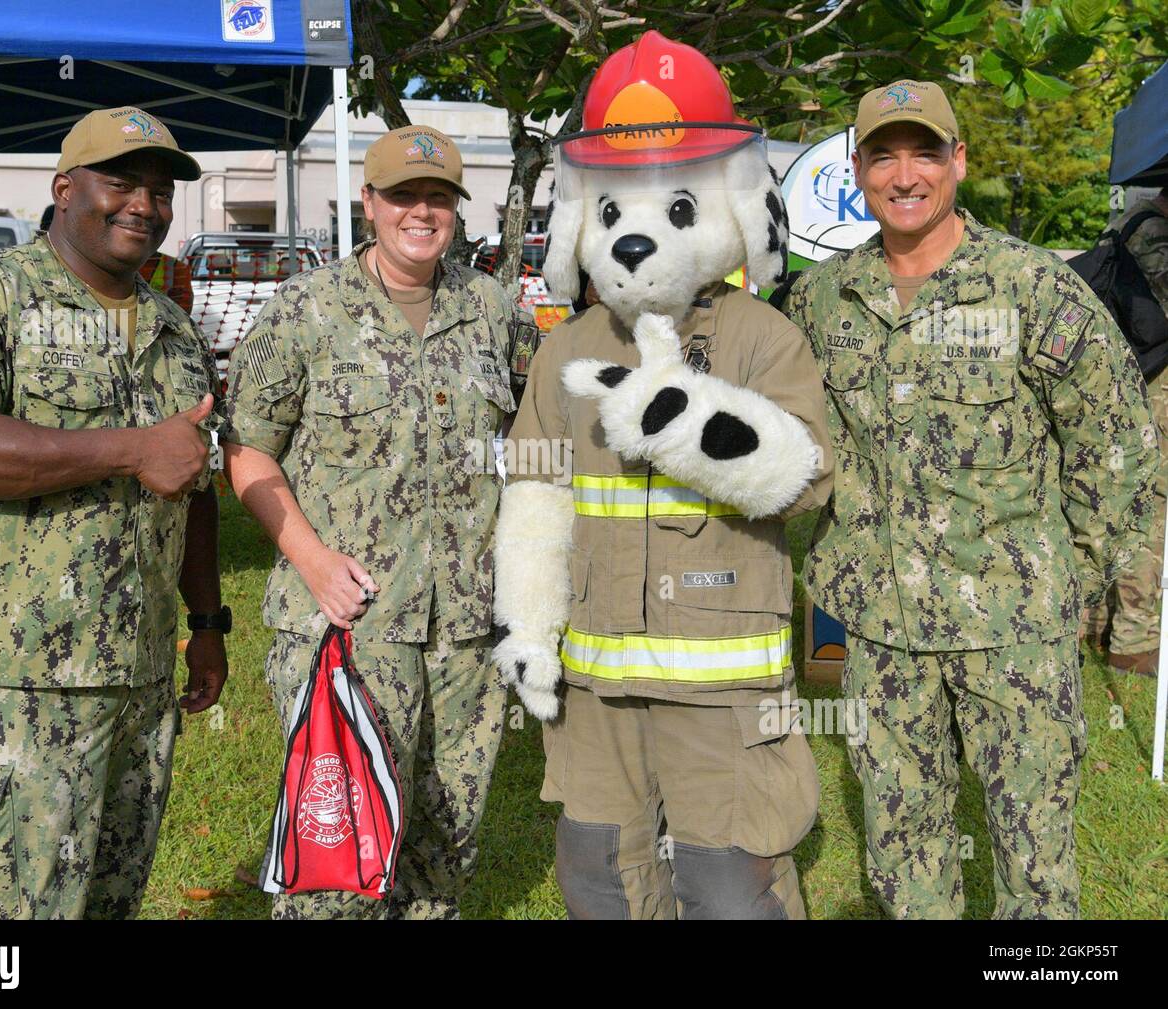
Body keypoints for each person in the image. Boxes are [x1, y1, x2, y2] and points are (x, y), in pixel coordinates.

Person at [782, 80, 1159, 919]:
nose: (904, 174)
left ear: (960, 161)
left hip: (1015, 632)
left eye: (925, 152)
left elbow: (1117, 442)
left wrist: (1069, 583)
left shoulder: (1033, 288)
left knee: (1036, 864)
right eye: (884, 154)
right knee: (901, 852)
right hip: (879, 632)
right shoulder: (822, 299)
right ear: (858, 168)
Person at [494, 30, 832, 919]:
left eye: (676, 207)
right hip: (597, 685)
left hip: (722, 689)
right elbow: (535, 491)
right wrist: (529, 624)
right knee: (601, 880)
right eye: (617, 211)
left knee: (731, 889)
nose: (638, 238)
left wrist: (679, 423)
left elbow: (804, 478)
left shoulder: (765, 339)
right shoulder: (563, 351)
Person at [0, 106, 228, 919]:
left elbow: (195, 482)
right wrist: (132, 448)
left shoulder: (176, 333)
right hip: (13, 679)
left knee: (109, 896)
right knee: (1, 917)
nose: (144, 203)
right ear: (65, 188)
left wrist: (208, 621)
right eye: (121, 182)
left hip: (138, 679)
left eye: (159, 189)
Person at [222, 125, 525, 919]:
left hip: (466, 632)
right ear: (368, 203)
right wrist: (311, 557)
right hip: (351, 629)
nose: (420, 213)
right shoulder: (305, 312)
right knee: (339, 864)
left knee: (442, 852)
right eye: (403, 196)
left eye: (439, 198)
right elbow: (248, 451)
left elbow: (529, 444)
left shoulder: (491, 309)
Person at [1083, 187, 1168, 674]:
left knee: (1111, 503)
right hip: (1153, 390)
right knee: (1151, 513)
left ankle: (1094, 622)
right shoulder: (1156, 230)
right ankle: (1134, 641)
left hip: (1125, 383)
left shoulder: (1128, 219)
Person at [43, 204, 193, 315]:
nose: (144, 210)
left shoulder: (175, 269)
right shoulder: (33, 271)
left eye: (163, 195)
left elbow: (181, 316)